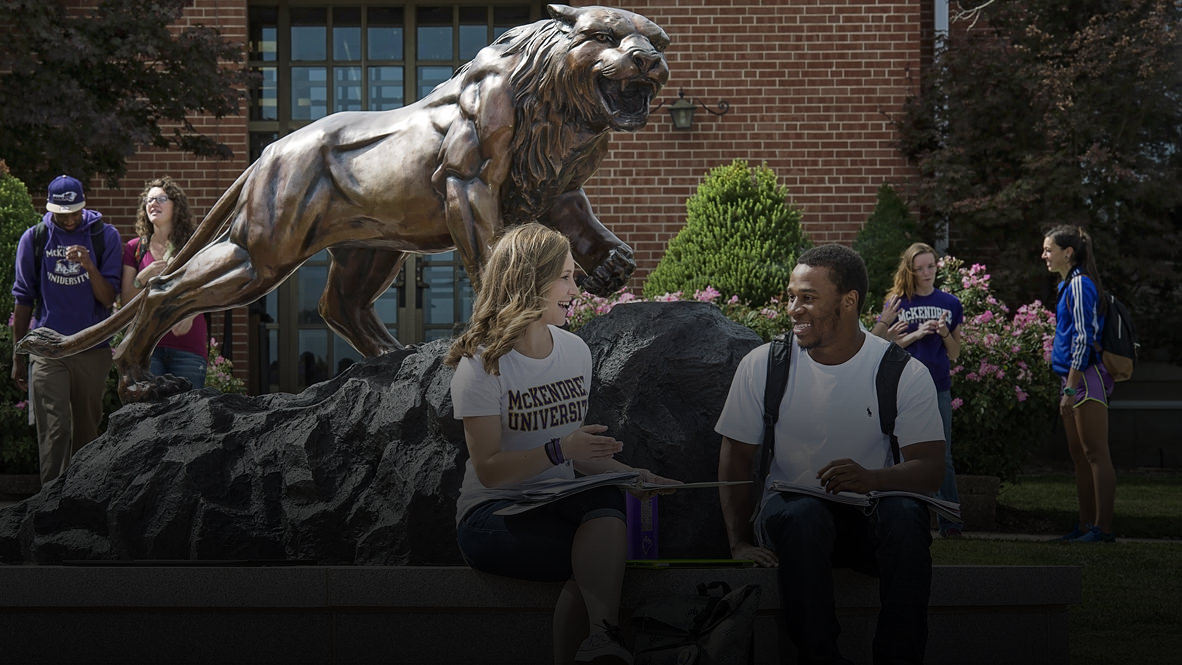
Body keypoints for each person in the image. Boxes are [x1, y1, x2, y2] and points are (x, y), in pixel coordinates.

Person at [445, 222, 677, 665]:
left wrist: (634, 477)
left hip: (559, 501)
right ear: (530, 282)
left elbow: (580, 459)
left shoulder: (576, 353)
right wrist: (559, 450)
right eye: (566, 277)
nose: (577, 287)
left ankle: (600, 641)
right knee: (596, 558)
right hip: (492, 516)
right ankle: (601, 640)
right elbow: (491, 468)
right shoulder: (481, 365)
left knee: (607, 505)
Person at [716, 244, 945, 665]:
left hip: (868, 518)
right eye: (791, 296)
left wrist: (873, 479)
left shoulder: (900, 372)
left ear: (849, 301)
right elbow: (735, 456)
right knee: (803, 517)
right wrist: (739, 543)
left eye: (808, 297)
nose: (793, 309)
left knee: (907, 517)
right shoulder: (764, 364)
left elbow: (930, 470)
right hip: (793, 518)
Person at [10, 174, 122, 484]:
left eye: (75, 212)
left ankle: (83, 501)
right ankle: (49, 506)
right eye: (63, 214)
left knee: (87, 430)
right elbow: (23, 300)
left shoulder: (105, 236)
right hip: (48, 348)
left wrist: (89, 266)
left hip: (92, 347)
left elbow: (109, 298)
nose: (70, 220)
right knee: (54, 430)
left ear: (83, 205)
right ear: (50, 209)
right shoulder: (34, 239)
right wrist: (18, 355)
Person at [870, 242, 964, 538]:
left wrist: (944, 333)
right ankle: (906, 520)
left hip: (937, 387)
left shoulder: (950, 303)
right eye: (920, 267)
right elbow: (875, 347)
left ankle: (951, 524)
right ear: (910, 270)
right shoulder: (898, 302)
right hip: (901, 388)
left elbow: (956, 354)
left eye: (931, 267)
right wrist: (916, 335)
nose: (927, 273)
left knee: (943, 456)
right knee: (901, 456)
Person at [1042, 225, 1115, 543]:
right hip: (1071, 379)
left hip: (1086, 380)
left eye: (1048, 249)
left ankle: (1103, 529)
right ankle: (1085, 526)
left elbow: (1085, 338)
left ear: (1067, 252)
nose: (1044, 254)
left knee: (1096, 454)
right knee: (1080, 456)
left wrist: (1071, 388)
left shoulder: (1079, 285)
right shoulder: (1066, 285)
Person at [121, 176, 207, 389]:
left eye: (161, 198)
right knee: (150, 417)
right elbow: (126, 302)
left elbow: (208, 288)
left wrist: (192, 312)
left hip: (187, 346)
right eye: (149, 200)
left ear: (175, 206)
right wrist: (142, 277)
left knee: (191, 415)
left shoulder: (192, 246)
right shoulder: (134, 249)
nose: (153, 204)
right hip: (147, 349)